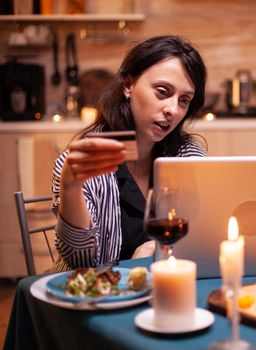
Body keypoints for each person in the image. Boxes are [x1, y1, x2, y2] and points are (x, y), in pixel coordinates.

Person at [51, 35, 207, 270]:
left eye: (184, 100)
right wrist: (70, 186)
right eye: (163, 92)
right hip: (103, 296)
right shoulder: (83, 162)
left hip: (165, 288)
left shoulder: (186, 155)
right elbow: (79, 261)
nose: (173, 110)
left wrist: (152, 248)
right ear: (128, 85)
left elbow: (202, 235)